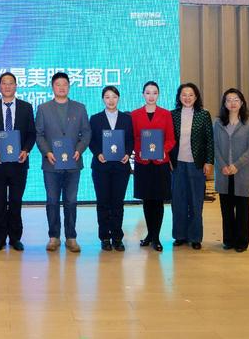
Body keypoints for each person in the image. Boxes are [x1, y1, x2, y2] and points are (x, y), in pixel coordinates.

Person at [35, 72, 91, 253]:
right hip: (51, 164)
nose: (61, 87)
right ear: (52, 87)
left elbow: (86, 133)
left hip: (73, 163)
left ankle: (71, 237)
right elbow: (39, 134)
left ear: (69, 86)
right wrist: (47, 152)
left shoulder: (79, 108)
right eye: (58, 84)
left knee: (71, 201)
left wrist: (79, 150)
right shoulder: (43, 108)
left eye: (64, 84)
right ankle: (54, 237)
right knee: (52, 201)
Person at [0, 72, 36, 252]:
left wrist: (26, 150)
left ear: (16, 86)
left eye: (11, 83)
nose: (7, 86)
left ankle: (15, 238)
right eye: (4, 83)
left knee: (16, 201)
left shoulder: (26, 107)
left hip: (19, 163)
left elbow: (32, 134)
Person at [131, 81, 176, 252]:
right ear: (143, 94)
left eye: (154, 93)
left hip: (160, 163)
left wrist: (163, 151)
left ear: (158, 94)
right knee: (147, 200)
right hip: (143, 163)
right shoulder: (135, 115)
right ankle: (149, 234)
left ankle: (156, 237)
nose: (151, 96)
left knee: (158, 201)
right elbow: (134, 138)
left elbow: (171, 139)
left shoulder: (166, 114)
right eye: (148, 92)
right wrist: (139, 150)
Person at [89, 86, 134, 252]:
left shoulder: (126, 119)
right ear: (103, 99)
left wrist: (127, 153)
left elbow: (130, 140)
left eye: (114, 96)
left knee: (117, 203)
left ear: (118, 98)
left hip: (121, 167)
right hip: (101, 166)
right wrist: (98, 153)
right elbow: (91, 140)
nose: (111, 100)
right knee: (103, 202)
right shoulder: (95, 119)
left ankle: (117, 237)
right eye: (107, 97)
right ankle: (104, 237)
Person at [170, 83, 214, 250]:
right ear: (179, 97)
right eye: (184, 95)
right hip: (177, 164)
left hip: (197, 164)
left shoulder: (203, 115)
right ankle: (180, 235)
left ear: (196, 97)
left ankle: (195, 237)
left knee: (196, 202)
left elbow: (209, 140)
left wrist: (209, 161)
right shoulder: (173, 115)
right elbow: (168, 139)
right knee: (178, 201)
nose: (187, 98)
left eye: (190, 95)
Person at [214, 88, 249, 252]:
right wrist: (223, 165)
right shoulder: (218, 123)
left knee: (242, 210)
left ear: (242, 103)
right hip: (224, 173)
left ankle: (242, 242)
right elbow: (215, 146)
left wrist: (236, 165)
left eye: (236, 100)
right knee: (226, 210)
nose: (232, 103)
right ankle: (229, 240)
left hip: (242, 173)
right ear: (224, 104)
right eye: (229, 100)